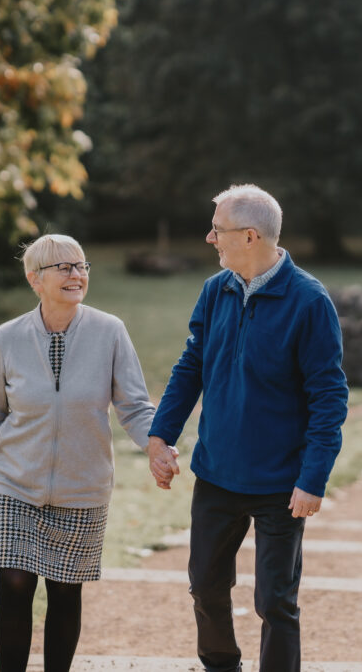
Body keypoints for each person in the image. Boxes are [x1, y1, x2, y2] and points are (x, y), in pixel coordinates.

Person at [147, 184, 349, 672]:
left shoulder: (309, 301)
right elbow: (191, 365)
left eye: (218, 230)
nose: (210, 238)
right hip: (216, 472)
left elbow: (329, 397)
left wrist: (312, 478)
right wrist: (161, 434)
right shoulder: (216, 290)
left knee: (275, 601)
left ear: (251, 236)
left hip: (282, 483)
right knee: (206, 586)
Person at [0, 234, 156, 672]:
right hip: (13, 483)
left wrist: (157, 446)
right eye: (63, 267)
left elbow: (135, 406)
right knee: (15, 581)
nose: (76, 274)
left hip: (83, 487)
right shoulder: (8, 338)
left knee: (66, 590)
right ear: (35, 279)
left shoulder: (110, 332)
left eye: (81, 266)